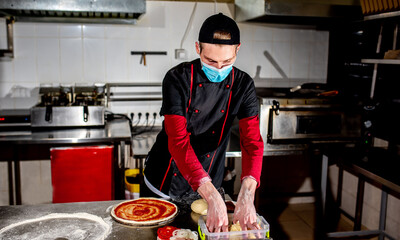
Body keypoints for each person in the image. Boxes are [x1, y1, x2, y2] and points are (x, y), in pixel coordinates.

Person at [143, 13, 264, 233]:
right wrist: (210, 193)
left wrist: (248, 191)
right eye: (210, 61)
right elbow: (178, 141)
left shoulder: (243, 84)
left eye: (227, 61)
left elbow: (252, 142)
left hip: (212, 176)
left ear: (238, 49)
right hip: (164, 180)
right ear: (198, 48)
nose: (219, 68)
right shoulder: (177, 78)